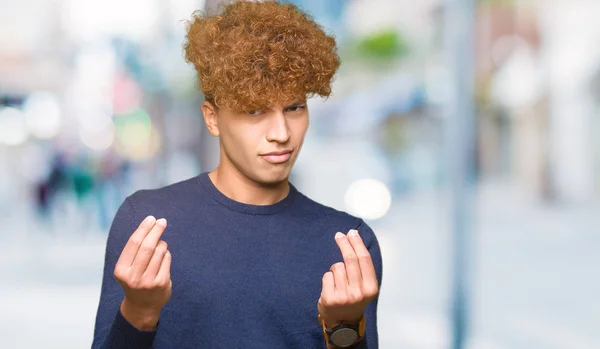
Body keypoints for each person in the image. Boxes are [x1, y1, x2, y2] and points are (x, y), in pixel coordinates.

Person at [92, 1, 383, 348]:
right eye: (255, 110)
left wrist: (343, 329)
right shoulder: (146, 224)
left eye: (294, 108)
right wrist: (138, 313)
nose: (281, 132)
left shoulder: (348, 245)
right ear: (212, 118)